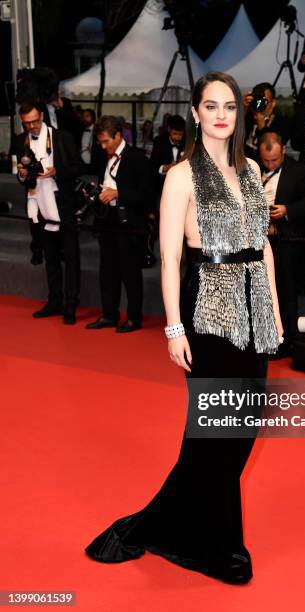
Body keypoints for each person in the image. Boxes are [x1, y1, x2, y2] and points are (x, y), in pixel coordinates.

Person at [84, 72, 283, 584]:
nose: (221, 114)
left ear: (239, 115)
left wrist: (276, 311)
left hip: (254, 304)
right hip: (209, 305)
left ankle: (171, 522)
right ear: (195, 113)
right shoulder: (181, 175)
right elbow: (170, 257)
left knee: (242, 429)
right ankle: (217, 544)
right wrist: (173, 329)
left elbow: (262, 245)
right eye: (211, 106)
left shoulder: (252, 168)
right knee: (214, 430)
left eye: (230, 107)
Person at [15, 102, 83, 324]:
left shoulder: (61, 137)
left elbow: (78, 167)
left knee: (71, 257)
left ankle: (71, 305)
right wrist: (23, 174)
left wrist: (56, 171)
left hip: (62, 204)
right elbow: (21, 176)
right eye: (27, 123)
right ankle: (54, 301)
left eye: (35, 121)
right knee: (50, 257)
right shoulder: (20, 140)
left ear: (42, 116)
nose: (32, 126)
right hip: (36, 203)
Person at [85, 116, 152, 333]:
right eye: (100, 142)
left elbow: (147, 195)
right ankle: (109, 314)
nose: (103, 146)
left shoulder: (137, 158)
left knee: (130, 272)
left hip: (129, 222)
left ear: (118, 135)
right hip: (107, 220)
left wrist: (118, 193)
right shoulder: (102, 155)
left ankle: (134, 317)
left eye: (106, 142)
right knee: (108, 270)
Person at [259, 131, 305, 356]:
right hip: (259, 240)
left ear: (283, 150)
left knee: (285, 292)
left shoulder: (300, 171)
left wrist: (287, 210)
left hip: (288, 242)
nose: (270, 163)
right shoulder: (252, 170)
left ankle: (287, 339)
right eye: (266, 160)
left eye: (274, 159)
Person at [243, 82, 290, 159]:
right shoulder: (248, 116)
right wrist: (243, 109)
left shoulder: (282, 122)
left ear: (273, 103)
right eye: (257, 100)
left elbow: (271, 149)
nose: (260, 103)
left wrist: (262, 126)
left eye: (264, 101)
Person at [150, 114, 185, 205]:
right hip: (162, 187)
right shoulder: (159, 142)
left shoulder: (187, 142)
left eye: (180, 134)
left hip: (182, 189)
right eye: (174, 134)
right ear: (169, 129)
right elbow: (152, 166)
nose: (177, 137)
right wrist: (165, 168)